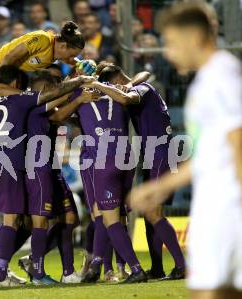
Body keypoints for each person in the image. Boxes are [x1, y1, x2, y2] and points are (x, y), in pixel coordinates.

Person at [129, 3, 242, 299]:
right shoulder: (208, 78)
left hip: (227, 208)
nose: (167, 53)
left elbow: (241, 145)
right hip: (213, 206)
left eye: (172, 44)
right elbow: (210, 154)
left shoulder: (221, 76)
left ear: (193, 38)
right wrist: (160, 186)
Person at [0, 65, 94, 287]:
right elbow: (54, 108)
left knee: (22, 219)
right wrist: (78, 90)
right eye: (54, 82)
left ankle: (1, 268)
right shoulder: (24, 102)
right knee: (20, 219)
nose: (57, 85)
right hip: (25, 165)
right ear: (16, 84)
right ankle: (9, 271)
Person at [50, 66, 148, 284]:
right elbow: (142, 77)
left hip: (103, 161)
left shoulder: (80, 94)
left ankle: (134, 268)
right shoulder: (119, 90)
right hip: (126, 158)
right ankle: (105, 266)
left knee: (107, 218)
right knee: (114, 215)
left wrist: (77, 99)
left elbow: (56, 116)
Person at [96, 62, 186, 280]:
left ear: (117, 80)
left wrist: (101, 86)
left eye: (111, 86)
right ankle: (157, 268)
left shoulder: (141, 89)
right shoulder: (138, 85)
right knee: (149, 212)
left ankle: (183, 266)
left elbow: (132, 91)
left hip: (161, 153)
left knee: (153, 212)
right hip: (155, 154)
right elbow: (143, 74)